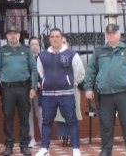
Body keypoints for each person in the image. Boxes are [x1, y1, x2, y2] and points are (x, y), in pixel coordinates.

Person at [84, 24, 126, 156]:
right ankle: (106, 150)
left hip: (124, 93)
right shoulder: (99, 51)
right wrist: (88, 87)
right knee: (106, 124)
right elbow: (91, 70)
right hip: (105, 94)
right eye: (109, 33)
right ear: (106, 35)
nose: (111, 35)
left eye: (114, 33)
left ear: (119, 34)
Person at [35, 28, 85, 156]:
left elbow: (79, 72)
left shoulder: (71, 54)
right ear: (49, 39)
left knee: (71, 121)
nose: (54, 39)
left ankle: (76, 148)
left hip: (66, 94)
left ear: (62, 38)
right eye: (52, 37)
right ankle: (45, 148)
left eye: (57, 36)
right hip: (48, 96)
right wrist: (47, 81)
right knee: (46, 121)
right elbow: (41, 73)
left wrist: (70, 83)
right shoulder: (43, 56)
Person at [0, 26, 38, 156]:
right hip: (7, 89)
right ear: (6, 36)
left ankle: (24, 145)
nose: (13, 36)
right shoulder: (2, 51)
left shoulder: (26, 51)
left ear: (19, 35)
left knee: (24, 118)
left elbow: (34, 70)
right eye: (10, 33)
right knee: (8, 117)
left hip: (24, 88)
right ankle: (9, 145)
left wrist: (33, 87)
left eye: (16, 33)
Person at [28, 36, 43, 147]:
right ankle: (32, 138)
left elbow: (47, 73)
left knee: (41, 115)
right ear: (29, 47)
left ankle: (44, 138)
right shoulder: (26, 59)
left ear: (39, 46)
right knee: (29, 115)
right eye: (32, 44)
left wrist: (41, 83)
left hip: (40, 91)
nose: (34, 46)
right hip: (28, 90)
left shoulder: (43, 58)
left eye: (36, 44)